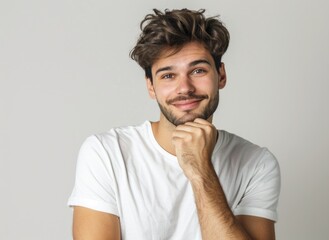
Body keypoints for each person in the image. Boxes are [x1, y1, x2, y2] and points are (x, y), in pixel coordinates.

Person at [68, 8, 281, 240]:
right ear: (151, 86)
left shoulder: (256, 164)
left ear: (221, 75)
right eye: (168, 75)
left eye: (198, 70)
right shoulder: (107, 153)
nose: (185, 88)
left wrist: (201, 171)